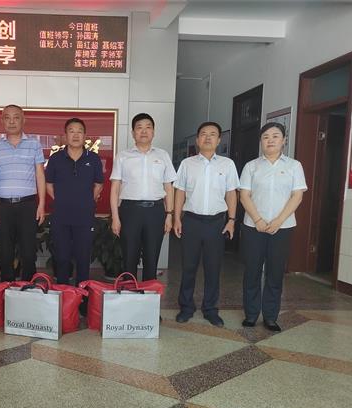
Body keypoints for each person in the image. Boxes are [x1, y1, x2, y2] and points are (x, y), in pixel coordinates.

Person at [239, 122, 307, 332]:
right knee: (252, 271)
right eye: (266, 137)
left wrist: (278, 221)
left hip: (282, 228)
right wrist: (258, 220)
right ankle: (251, 314)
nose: (270, 140)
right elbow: (244, 195)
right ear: (261, 141)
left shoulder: (294, 166)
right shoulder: (251, 166)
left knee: (275, 272)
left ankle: (270, 316)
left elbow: (297, 196)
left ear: (284, 140)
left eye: (275, 136)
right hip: (253, 227)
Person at [173, 121, 239, 327]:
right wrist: (176, 218)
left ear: (219, 140)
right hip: (191, 221)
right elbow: (180, 192)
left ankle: (210, 309)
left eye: (212, 134)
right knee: (188, 267)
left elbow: (231, 193)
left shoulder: (227, 165)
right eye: (203, 134)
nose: (208, 137)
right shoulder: (187, 164)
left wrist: (231, 220)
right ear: (197, 140)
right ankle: (186, 307)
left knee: (213, 268)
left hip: (216, 223)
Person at [110, 113, 176, 281]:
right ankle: (129, 291)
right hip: (130, 211)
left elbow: (168, 187)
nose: (144, 131)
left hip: (155, 211)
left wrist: (169, 215)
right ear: (133, 133)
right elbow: (115, 188)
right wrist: (115, 218)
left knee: (152, 258)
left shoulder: (163, 155)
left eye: (148, 127)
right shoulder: (123, 156)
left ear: (153, 132)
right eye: (139, 128)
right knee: (129, 257)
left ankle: (149, 293)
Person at [0, 105, 46, 282]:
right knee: (4, 251)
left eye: (16, 117)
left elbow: (40, 174)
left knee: (28, 251)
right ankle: (6, 286)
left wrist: (41, 204)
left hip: (27, 205)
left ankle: (28, 287)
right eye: (7, 118)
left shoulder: (34, 145)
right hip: (2, 206)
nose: (12, 121)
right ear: (2, 121)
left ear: (23, 120)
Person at [45, 118, 104, 285]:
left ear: (85, 136)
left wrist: (86, 199)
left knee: (83, 258)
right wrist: (62, 199)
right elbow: (49, 184)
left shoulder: (93, 159)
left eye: (79, 131)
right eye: (71, 131)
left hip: (84, 216)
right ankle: (64, 295)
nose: (76, 135)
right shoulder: (56, 158)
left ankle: (83, 296)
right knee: (62, 258)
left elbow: (99, 184)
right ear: (65, 135)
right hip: (61, 216)